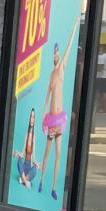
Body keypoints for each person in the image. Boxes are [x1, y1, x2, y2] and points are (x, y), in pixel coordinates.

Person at [42, 44, 70, 201]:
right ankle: (41, 181)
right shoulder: (52, 76)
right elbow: (47, 97)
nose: (56, 57)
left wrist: (74, 28)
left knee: (58, 153)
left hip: (59, 118)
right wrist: (41, 117)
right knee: (47, 153)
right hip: (51, 118)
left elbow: (67, 50)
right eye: (54, 55)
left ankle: (53, 187)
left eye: (57, 54)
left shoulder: (61, 72)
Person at [94, 43, 106, 120]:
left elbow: (99, 68)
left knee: (101, 93)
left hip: (100, 77)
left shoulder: (101, 57)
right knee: (104, 92)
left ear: (102, 49)